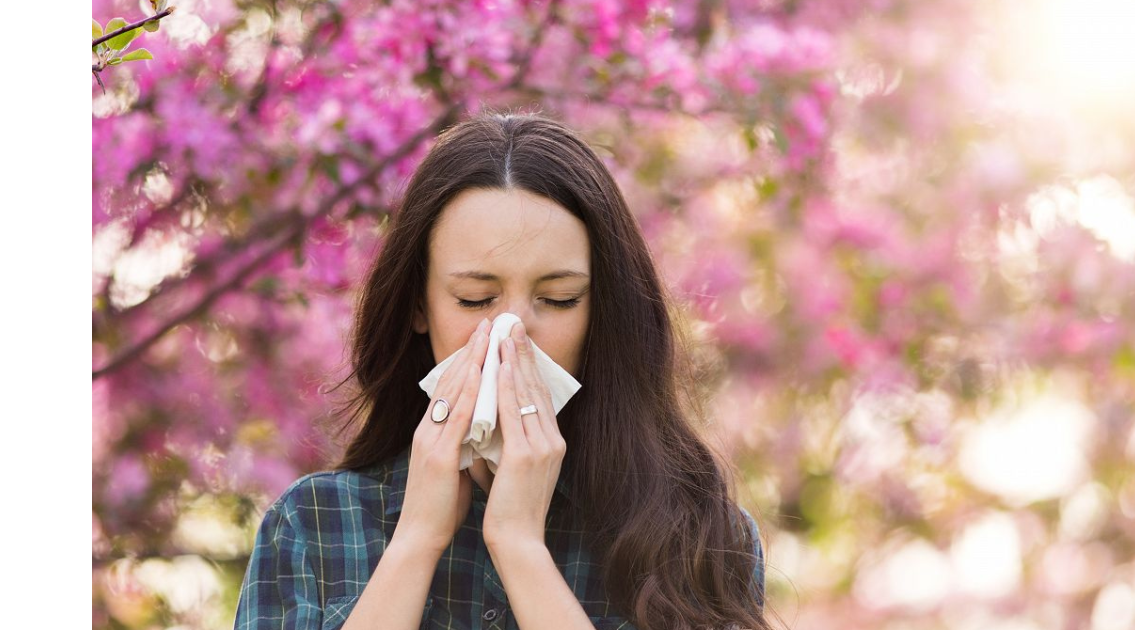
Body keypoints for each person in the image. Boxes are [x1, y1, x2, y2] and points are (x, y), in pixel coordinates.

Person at [233, 112, 768, 630]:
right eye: (476, 298)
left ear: (601, 310)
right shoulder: (312, 525)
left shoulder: (699, 540)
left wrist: (520, 548)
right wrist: (416, 539)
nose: (513, 332)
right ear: (419, 305)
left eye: (559, 299)